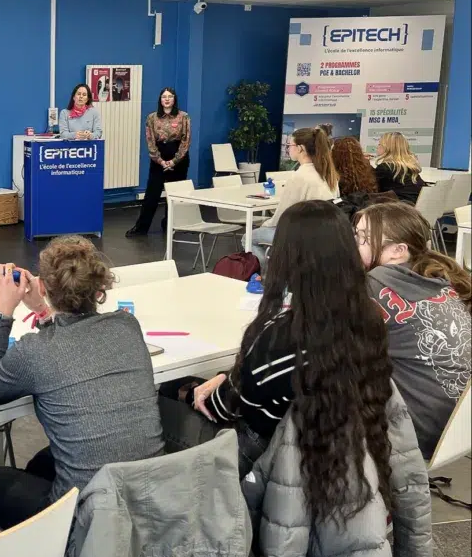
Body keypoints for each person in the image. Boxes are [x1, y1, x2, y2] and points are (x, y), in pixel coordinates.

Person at [162, 201, 381, 477]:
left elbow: (225, 407)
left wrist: (195, 390)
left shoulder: (284, 334)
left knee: (159, 405)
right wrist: (226, 377)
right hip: (331, 444)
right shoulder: (367, 316)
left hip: (261, 453)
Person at [0, 236, 164, 529]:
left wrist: (2, 313)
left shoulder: (34, 351)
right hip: (147, 499)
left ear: (42, 287)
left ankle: (45, 545)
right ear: (100, 287)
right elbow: (70, 345)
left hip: (85, 518)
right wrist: (43, 311)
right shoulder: (127, 325)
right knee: (41, 463)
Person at [354, 201, 471, 459]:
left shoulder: (376, 283)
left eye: (363, 238)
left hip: (419, 433)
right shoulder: (442, 276)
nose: (355, 244)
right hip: (458, 426)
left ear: (398, 251)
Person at [248, 127, 337, 268]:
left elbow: (282, 216)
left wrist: (265, 224)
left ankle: (268, 275)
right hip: (324, 233)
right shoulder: (329, 175)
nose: (287, 149)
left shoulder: (299, 177)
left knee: (248, 238)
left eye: (289, 145)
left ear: (300, 148)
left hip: (299, 235)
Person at [128, 87, 190, 236]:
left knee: (175, 194)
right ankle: (141, 227)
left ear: (174, 99)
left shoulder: (184, 116)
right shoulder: (152, 117)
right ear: (160, 100)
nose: (167, 99)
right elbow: (150, 140)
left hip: (178, 158)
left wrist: (174, 161)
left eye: (170, 96)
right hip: (158, 158)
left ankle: (170, 224)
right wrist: (160, 160)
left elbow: (186, 140)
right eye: (164, 97)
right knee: (152, 194)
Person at [373, 131, 426, 204]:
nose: (377, 147)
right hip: (412, 207)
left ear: (388, 148)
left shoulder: (385, 168)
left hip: (397, 208)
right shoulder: (409, 167)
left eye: (379, 144)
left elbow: (369, 186)